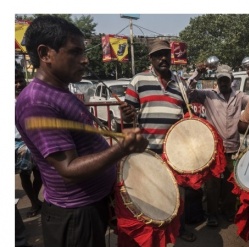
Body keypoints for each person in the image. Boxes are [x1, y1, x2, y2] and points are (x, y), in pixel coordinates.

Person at [15, 15, 149, 247]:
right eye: (75, 52)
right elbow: (68, 169)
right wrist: (122, 148)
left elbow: (86, 142)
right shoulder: (38, 101)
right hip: (75, 215)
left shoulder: (60, 91)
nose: (85, 60)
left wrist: (126, 125)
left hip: (90, 206)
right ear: (46, 53)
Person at [120, 38, 197, 243]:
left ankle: (177, 229)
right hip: (147, 152)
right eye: (158, 55)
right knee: (150, 193)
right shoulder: (138, 80)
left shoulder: (180, 84)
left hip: (173, 152)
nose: (163, 58)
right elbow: (128, 118)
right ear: (151, 58)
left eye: (166, 54)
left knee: (176, 194)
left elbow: (185, 117)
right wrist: (127, 116)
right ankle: (153, 234)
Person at [187, 64, 249, 227]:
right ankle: (212, 214)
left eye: (226, 79)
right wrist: (197, 74)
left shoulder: (240, 97)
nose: (223, 82)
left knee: (231, 182)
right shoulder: (208, 95)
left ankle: (228, 211)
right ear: (217, 80)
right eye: (221, 79)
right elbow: (187, 93)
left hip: (233, 148)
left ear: (231, 80)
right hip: (214, 150)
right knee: (212, 184)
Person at [15, 68, 43, 218]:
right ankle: (33, 202)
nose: (19, 84)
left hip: (33, 141)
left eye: (21, 81)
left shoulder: (29, 98)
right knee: (25, 175)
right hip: (17, 143)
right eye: (15, 82)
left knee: (39, 175)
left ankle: (36, 198)